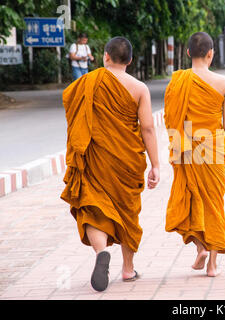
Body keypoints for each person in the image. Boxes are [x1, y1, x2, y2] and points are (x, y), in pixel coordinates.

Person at [61, 36, 160, 292]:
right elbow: (148, 128)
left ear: (105, 56)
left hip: (95, 157)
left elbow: (75, 118)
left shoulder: (87, 82)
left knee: (94, 207)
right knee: (128, 212)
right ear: (129, 60)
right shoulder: (139, 88)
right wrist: (155, 164)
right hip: (127, 160)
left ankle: (101, 251)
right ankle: (128, 269)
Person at [164, 31, 225, 277]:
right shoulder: (224, 83)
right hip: (214, 146)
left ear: (187, 53)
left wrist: (176, 150)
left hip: (185, 147)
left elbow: (172, 119)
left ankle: (200, 247)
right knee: (214, 204)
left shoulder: (177, 81)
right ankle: (213, 264)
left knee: (190, 199)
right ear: (211, 54)